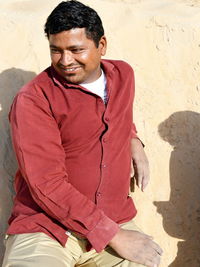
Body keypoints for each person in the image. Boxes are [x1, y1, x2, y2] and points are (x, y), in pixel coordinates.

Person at [2, 1, 162, 266]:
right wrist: (113, 234)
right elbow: (47, 185)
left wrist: (133, 139)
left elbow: (114, 114)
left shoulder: (123, 75)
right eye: (56, 50)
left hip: (115, 217)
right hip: (47, 228)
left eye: (76, 50)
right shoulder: (33, 99)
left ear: (101, 46)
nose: (65, 61)